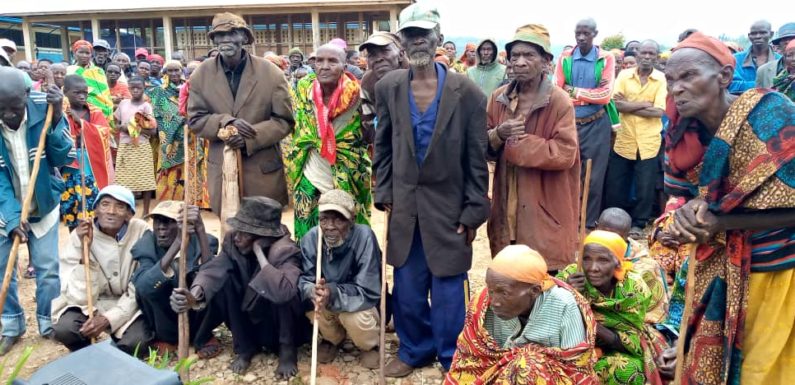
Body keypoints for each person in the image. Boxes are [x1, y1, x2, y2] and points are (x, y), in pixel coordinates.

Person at [656, 31, 795, 385]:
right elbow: (684, 199)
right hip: (717, 268)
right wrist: (684, 218)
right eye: (671, 80)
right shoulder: (682, 136)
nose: (677, 88)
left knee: (764, 370)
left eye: (688, 76)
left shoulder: (772, 115)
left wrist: (720, 220)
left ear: (724, 77)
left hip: (777, 268)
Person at [374, 3, 490, 377]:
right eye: (410, 34)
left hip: (449, 207)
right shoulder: (389, 87)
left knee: (448, 289)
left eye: (424, 33)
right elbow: (384, 145)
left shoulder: (467, 92)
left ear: (439, 38)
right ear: (402, 41)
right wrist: (384, 191)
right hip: (406, 205)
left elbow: (476, 158)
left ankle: (449, 354)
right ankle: (413, 349)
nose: (418, 40)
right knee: (407, 286)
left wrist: (474, 210)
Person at [170, 197, 308, 378]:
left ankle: (287, 352)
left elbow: (283, 292)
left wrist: (259, 253)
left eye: (246, 232)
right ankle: (245, 348)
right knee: (225, 281)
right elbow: (214, 269)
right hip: (249, 316)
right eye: (238, 229)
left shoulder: (284, 249)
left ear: (264, 236)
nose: (237, 236)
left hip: (277, 324)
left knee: (280, 286)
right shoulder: (233, 240)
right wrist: (194, 295)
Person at [485, 24, 580, 273]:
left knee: (543, 274)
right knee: (509, 270)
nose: (520, 62)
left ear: (546, 61)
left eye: (529, 55)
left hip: (545, 202)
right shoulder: (498, 99)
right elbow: (481, 145)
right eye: (515, 56)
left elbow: (565, 152)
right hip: (507, 200)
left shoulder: (559, 101)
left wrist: (519, 143)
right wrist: (498, 135)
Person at [188, 12, 294, 213]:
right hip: (221, 167)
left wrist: (249, 138)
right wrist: (226, 123)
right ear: (213, 40)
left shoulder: (271, 73)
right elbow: (195, 119)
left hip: (262, 169)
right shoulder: (201, 75)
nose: (226, 39)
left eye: (233, 33)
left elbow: (284, 121)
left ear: (245, 38)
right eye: (220, 34)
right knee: (229, 232)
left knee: (264, 232)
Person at [445, 245, 597, 384]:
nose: (494, 301)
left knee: (526, 364)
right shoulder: (483, 304)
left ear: (534, 291)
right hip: (496, 378)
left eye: (504, 293)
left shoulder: (564, 304)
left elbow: (576, 367)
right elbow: (471, 359)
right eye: (491, 290)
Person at [0, 67, 72, 355]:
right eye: (0, 109)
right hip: (5, 206)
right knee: (3, 269)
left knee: (48, 269)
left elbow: (62, 155)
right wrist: (12, 217)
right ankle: (11, 326)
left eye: (14, 107)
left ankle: (48, 322)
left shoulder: (46, 106)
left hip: (43, 202)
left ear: (27, 96)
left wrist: (55, 117)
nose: (7, 115)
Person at [51, 185, 154, 354]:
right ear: (96, 210)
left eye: (120, 206)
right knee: (65, 329)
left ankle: (114, 353)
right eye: (105, 204)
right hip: (91, 303)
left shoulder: (141, 231)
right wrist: (85, 254)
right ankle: (88, 353)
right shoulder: (81, 234)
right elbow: (76, 294)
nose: (111, 211)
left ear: (129, 214)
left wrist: (108, 319)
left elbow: (140, 284)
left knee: (136, 344)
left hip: (129, 304)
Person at [558, 231, 666, 385]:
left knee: (628, 370)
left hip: (614, 349)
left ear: (617, 262)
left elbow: (628, 340)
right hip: (571, 348)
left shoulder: (633, 288)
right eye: (587, 259)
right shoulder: (571, 275)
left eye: (603, 260)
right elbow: (550, 320)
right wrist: (567, 294)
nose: (593, 268)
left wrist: (591, 323)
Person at [287, 44, 371, 239]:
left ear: (344, 66)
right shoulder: (303, 89)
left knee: (345, 221)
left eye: (332, 61)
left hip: (347, 169)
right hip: (310, 166)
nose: (324, 66)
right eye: (319, 60)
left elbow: (365, 136)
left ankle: (347, 266)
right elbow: (299, 128)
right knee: (307, 218)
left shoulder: (356, 94)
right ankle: (309, 262)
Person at [298, 189, 382, 368]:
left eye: (338, 219)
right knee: (313, 307)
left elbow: (368, 290)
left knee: (354, 317)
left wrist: (332, 291)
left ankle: (369, 346)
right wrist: (313, 291)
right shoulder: (312, 238)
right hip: (328, 299)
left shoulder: (364, 237)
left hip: (357, 302)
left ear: (351, 219)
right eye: (324, 219)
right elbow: (305, 279)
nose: (329, 226)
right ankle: (333, 339)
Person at [131, 201, 221, 357]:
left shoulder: (204, 239)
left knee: (217, 282)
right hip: (165, 313)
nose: (161, 227)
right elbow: (144, 287)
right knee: (149, 285)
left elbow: (212, 275)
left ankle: (203, 336)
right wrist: (178, 243)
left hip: (196, 307)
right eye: (157, 221)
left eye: (169, 221)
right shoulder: (146, 244)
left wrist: (199, 230)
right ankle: (167, 339)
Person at [555, 19, 616, 229]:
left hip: (597, 123)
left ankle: (588, 224)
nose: (581, 37)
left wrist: (573, 91)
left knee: (594, 176)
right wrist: (588, 95)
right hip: (569, 123)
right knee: (566, 172)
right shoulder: (565, 57)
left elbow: (606, 95)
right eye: (578, 33)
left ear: (595, 34)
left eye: (586, 33)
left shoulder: (606, 58)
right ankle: (567, 220)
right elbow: (557, 90)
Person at [606, 40, 667, 238]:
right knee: (616, 183)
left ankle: (639, 224)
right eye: (644, 53)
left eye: (652, 54)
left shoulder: (661, 79)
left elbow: (658, 111)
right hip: (624, 137)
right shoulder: (624, 75)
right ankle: (614, 220)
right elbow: (615, 105)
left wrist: (629, 105)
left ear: (657, 57)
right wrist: (643, 104)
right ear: (637, 54)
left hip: (649, 140)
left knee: (645, 185)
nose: (647, 57)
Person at [595, 208, 669, 328]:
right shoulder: (588, 253)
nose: (609, 242)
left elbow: (652, 314)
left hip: (632, 326)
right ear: (595, 227)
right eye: (605, 234)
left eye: (617, 238)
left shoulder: (644, 266)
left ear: (627, 236)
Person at [60, 75, 114, 231]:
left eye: (85, 92)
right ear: (66, 92)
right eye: (77, 93)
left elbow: (103, 133)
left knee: (91, 207)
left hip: (91, 166)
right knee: (71, 208)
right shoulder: (60, 112)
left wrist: (80, 122)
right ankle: (75, 244)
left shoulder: (94, 112)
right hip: (69, 168)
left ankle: (91, 242)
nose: (82, 96)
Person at [114, 77, 157, 215]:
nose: (135, 90)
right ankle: (128, 211)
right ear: (129, 88)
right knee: (124, 180)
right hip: (125, 146)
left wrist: (132, 129)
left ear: (144, 88)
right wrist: (122, 127)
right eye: (132, 88)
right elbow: (116, 124)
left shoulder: (146, 107)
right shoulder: (123, 104)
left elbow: (152, 130)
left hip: (141, 146)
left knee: (146, 180)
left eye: (139, 87)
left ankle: (145, 211)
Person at [149, 60, 191, 202]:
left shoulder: (189, 88)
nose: (173, 73)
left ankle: (185, 200)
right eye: (170, 71)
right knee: (168, 172)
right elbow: (159, 114)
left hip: (188, 135)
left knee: (186, 168)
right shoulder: (159, 91)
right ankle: (166, 201)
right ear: (165, 73)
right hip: (169, 138)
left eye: (176, 70)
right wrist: (180, 118)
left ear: (181, 71)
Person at [358, 31, 407, 143]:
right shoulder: (368, 82)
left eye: (385, 51)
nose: (378, 59)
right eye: (372, 55)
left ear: (401, 54)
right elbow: (367, 122)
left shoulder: (417, 75)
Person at [67, 40, 114, 123]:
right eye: (81, 52)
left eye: (87, 53)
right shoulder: (70, 71)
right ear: (74, 53)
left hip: (105, 112)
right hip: (83, 112)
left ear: (91, 55)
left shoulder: (99, 71)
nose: (84, 55)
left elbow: (105, 93)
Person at [730, 20, 780, 94]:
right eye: (753, 33)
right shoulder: (735, 59)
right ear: (749, 36)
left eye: (763, 33)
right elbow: (731, 85)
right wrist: (766, 85)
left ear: (771, 34)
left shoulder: (780, 60)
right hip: (741, 104)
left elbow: (785, 86)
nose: (758, 36)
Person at [757, 22, 795, 88]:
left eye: (793, 39)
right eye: (785, 40)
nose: (789, 43)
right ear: (779, 46)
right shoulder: (763, 71)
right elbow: (759, 96)